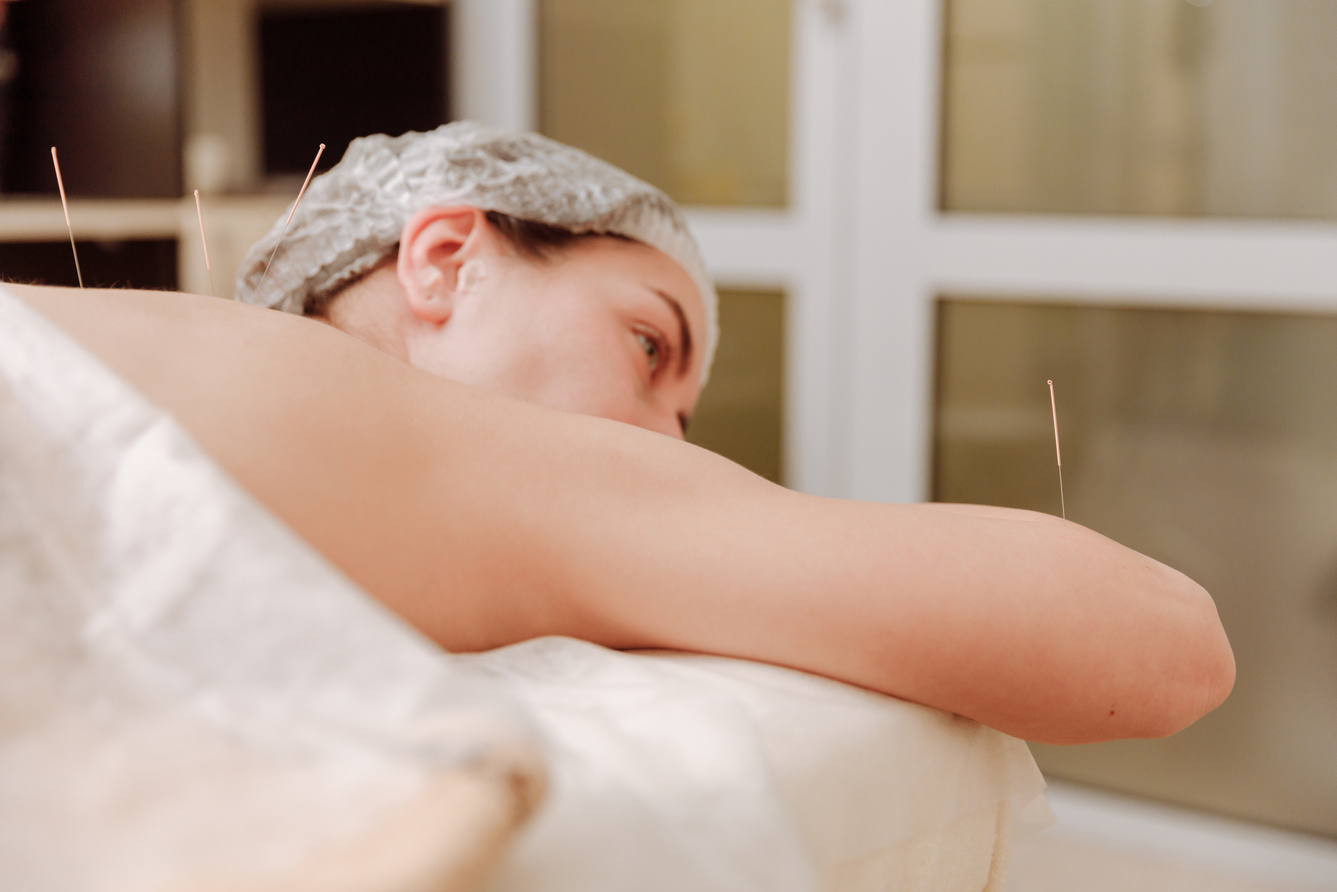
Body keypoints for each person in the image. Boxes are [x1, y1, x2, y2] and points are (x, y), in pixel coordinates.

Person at [9, 125, 1234, 747]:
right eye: (648, 346)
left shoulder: (167, 358)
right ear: (444, 258)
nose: (670, 444)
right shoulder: (416, 444)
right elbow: (1165, 642)